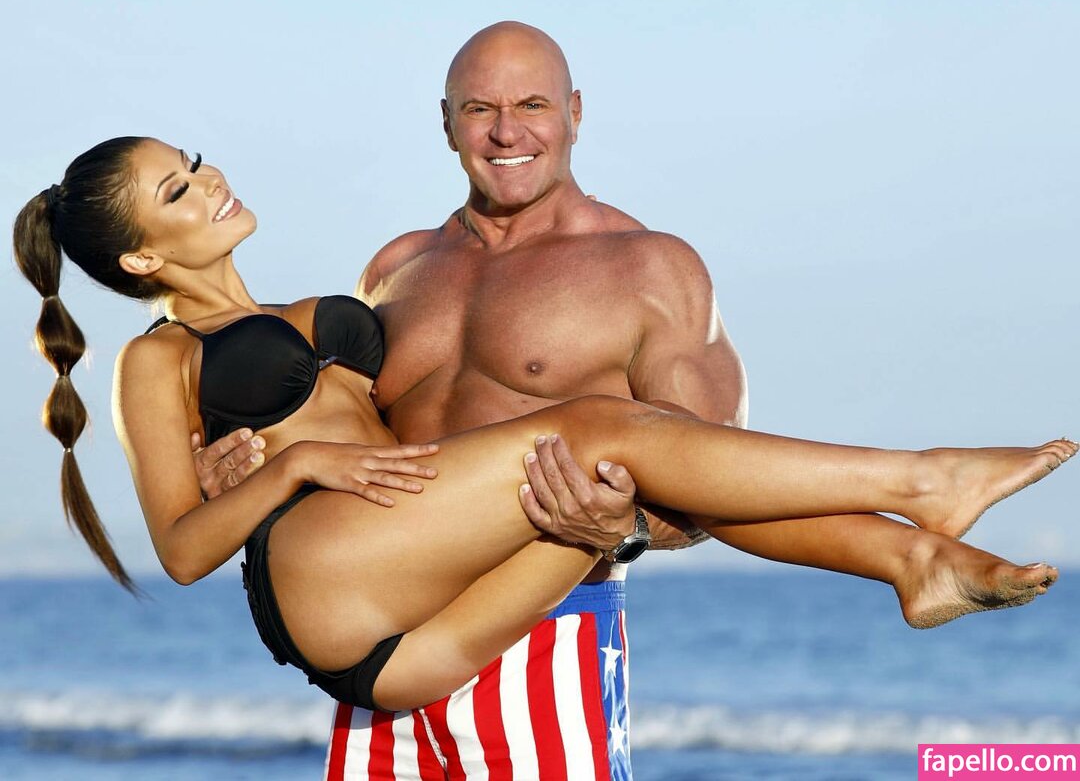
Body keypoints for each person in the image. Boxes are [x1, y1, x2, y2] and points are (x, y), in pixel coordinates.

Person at [16, 132, 1071, 771]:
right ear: (143, 258)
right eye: (177, 191)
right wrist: (289, 468)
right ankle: (925, 481)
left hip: (415, 626)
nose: (209, 181)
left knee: (617, 480)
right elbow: (183, 550)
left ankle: (911, 561)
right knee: (601, 428)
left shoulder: (312, 299)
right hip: (327, 584)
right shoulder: (159, 358)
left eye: (194, 161)